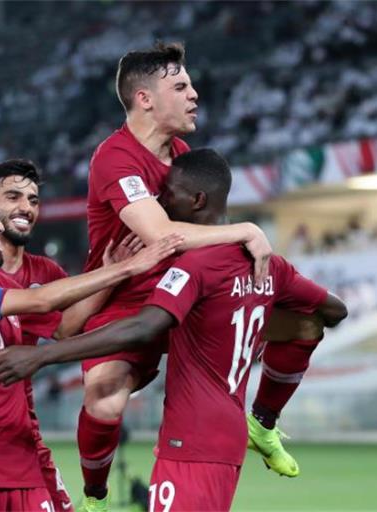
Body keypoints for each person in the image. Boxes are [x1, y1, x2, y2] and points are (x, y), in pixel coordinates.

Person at [0, 149, 348, 511]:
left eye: (168, 194)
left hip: (191, 440)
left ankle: (95, 498)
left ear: (197, 200)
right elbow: (333, 312)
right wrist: (249, 313)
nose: (160, 202)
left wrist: (42, 356)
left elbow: (141, 326)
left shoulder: (193, 265)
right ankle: (264, 421)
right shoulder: (271, 267)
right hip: (228, 436)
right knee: (305, 324)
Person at [76, 41, 273, 508]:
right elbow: (161, 234)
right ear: (144, 98)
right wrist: (246, 229)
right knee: (105, 399)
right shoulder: (116, 158)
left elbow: (205, 227)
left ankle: (265, 423)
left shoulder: (183, 154)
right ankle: (95, 496)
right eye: (181, 87)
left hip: (189, 295)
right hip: (126, 300)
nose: (194, 94)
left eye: (191, 85)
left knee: (304, 312)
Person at [0, 180, 181, 511]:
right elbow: (40, 300)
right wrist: (127, 267)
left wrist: (111, 275)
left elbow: (63, 327)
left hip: (22, 461)